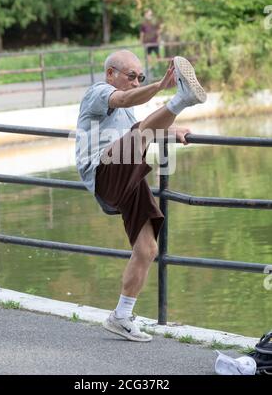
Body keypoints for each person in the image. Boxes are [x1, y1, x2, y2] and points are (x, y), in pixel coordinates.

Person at [76, 50, 206, 342]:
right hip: (103, 174)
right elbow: (126, 105)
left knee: (148, 248)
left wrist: (170, 132)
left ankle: (121, 316)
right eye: (131, 76)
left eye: (141, 77)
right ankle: (182, 99)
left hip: (126, 177)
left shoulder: (127, 113)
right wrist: (161, 87)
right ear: (111, 74)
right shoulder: (98, 93)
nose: (136, 82)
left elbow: (140, 133)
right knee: (138, 131)